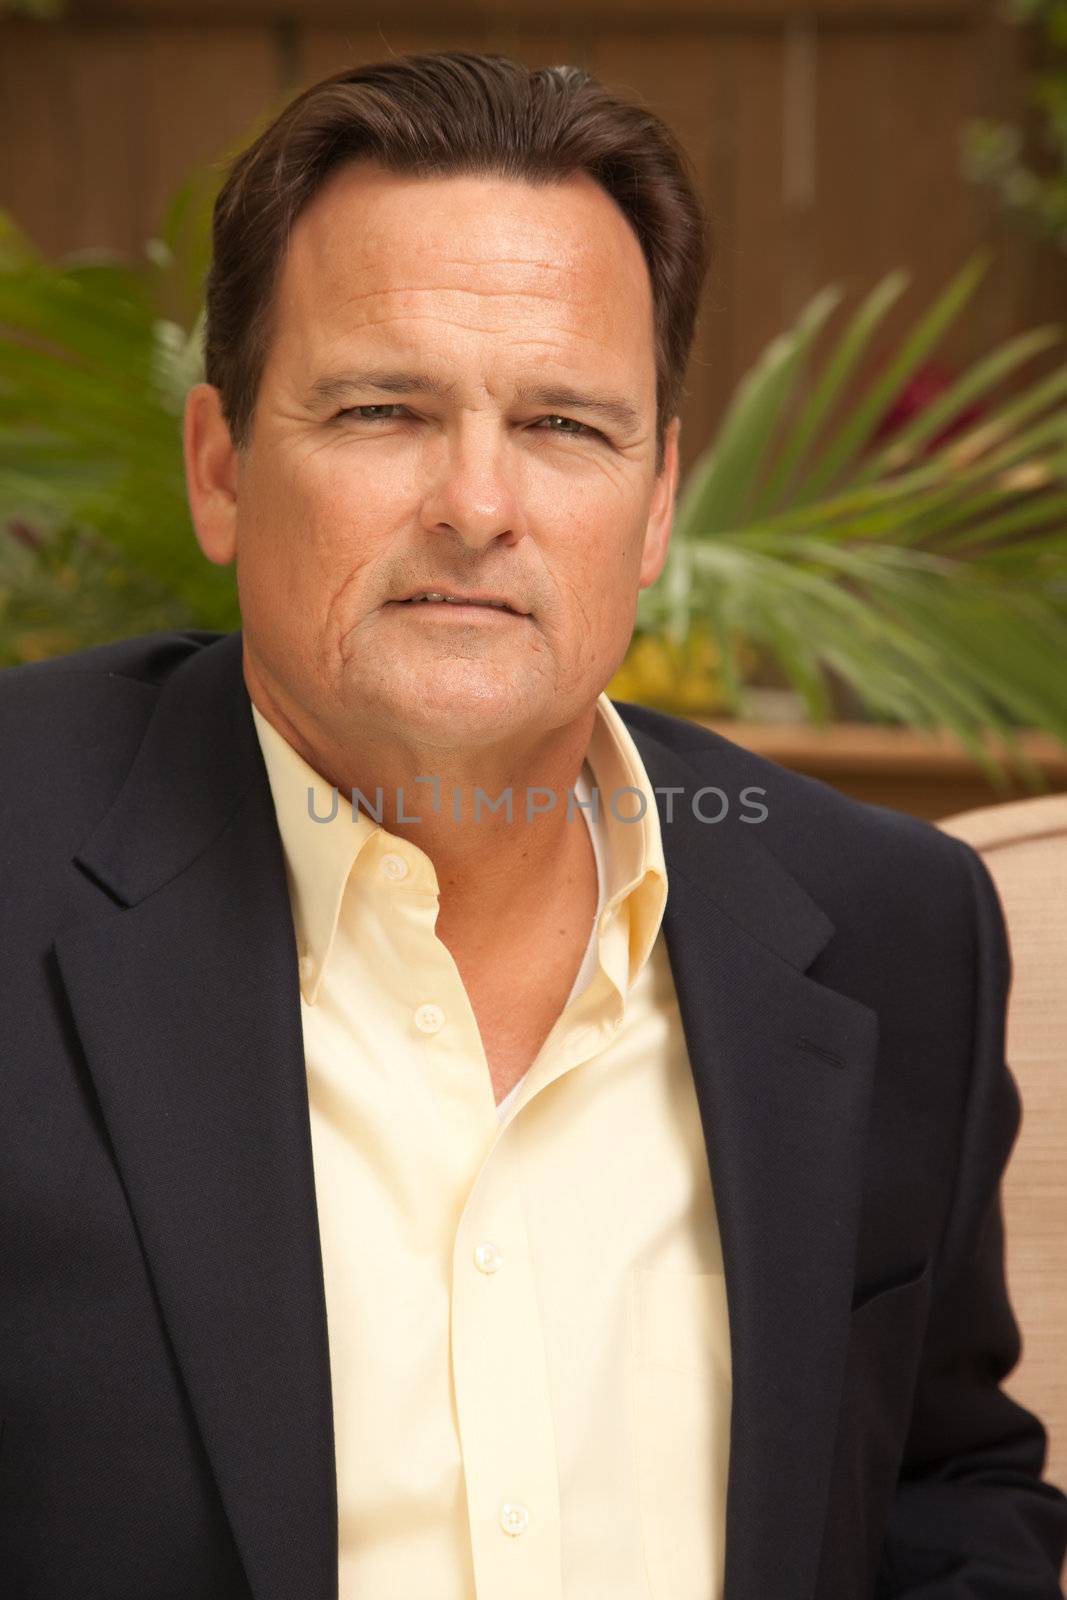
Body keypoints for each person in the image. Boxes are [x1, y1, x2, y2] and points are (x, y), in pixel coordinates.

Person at [1, 50, 1065, 1600]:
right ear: (221, 468)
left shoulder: (898, 931)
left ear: (653, 506)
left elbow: (940, 1480)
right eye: (381, 408)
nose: (478, 503)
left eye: (565, 426)